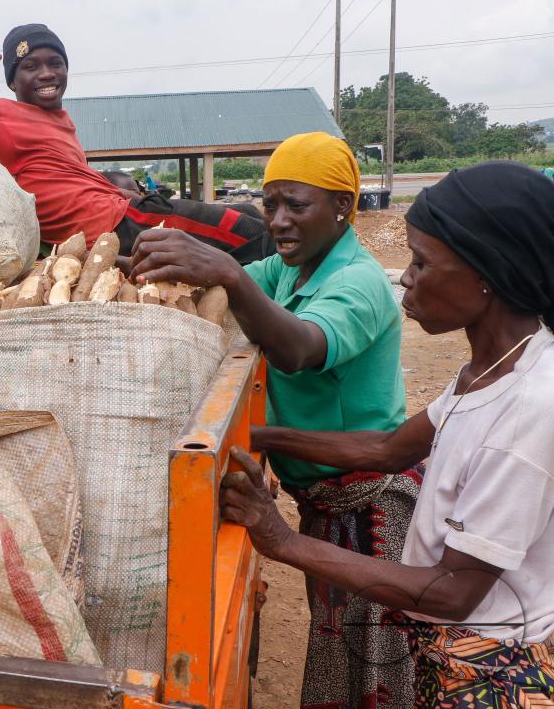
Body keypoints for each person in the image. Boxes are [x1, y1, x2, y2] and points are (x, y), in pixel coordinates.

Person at [220, 161, 554, 707]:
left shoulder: (530, 408)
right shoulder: (492, 369)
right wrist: (257, 436)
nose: (405, 276)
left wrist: (280, 540)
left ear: (487, 274)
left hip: (492, 669)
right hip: (452, 647)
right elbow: (387, 448)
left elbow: (452, 592)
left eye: (422, 263)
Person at [130, 132, 419, 708]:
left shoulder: (355, 283)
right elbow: (218, 283)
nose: (280, 221)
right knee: (342, 648)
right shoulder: (292, 271)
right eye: (271, 205)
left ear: (343, 207)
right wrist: (120, 261)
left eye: (297, 205)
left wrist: (231, 275)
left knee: (377, 662)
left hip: (371, 503)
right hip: (326, 499)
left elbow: (299, 348)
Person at [0, 24, 271, 262]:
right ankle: (295, 322)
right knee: (251, 233)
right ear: (11, 82)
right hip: (111, 229)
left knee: (250, 212)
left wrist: (123, 193)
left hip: (127, 211)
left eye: (55, 62)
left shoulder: (61, 122)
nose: (46, 73)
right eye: (29, 66)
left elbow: (70, 180)